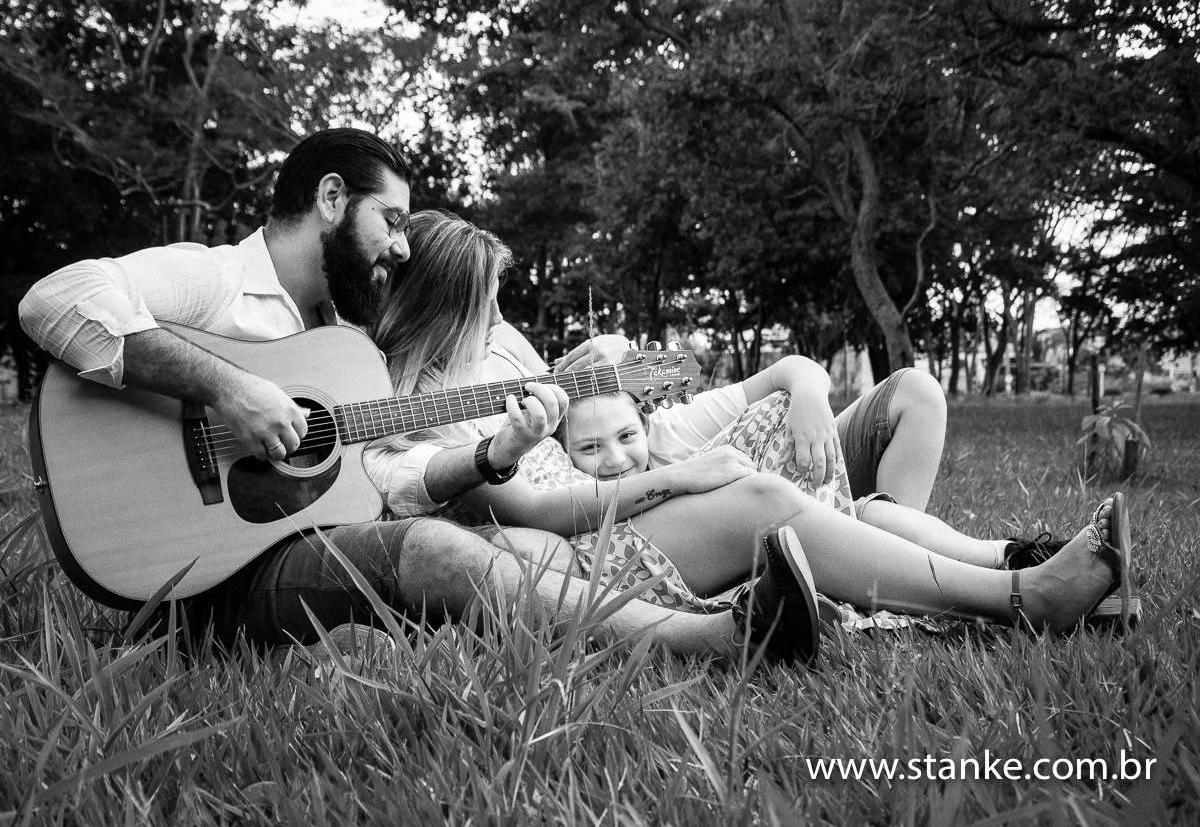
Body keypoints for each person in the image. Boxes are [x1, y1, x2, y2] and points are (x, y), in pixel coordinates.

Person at [18, 128, 820, 664]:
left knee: (433, 544)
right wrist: (228, 388)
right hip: (190, 573)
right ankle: (714, 639)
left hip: (282, 552)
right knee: (436, 551)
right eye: (390, 220)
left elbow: (389, 478)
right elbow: (53, 300)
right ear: (331, 200)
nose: (402, 245)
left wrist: (491, 453)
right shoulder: (213, 279)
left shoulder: (344, 342)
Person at [369, 209, 1137, 638]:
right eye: (488, 304)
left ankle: (990, 575)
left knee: (776, 429)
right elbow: (535, 509)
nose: (501, 319)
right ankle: (1016, 595)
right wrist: (675, 477)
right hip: (583, 556)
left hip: (623, 517)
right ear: (446, 307)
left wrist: (653, 452)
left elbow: (612, 420)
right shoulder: (418, 418)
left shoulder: (499, 369)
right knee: (763, 500)